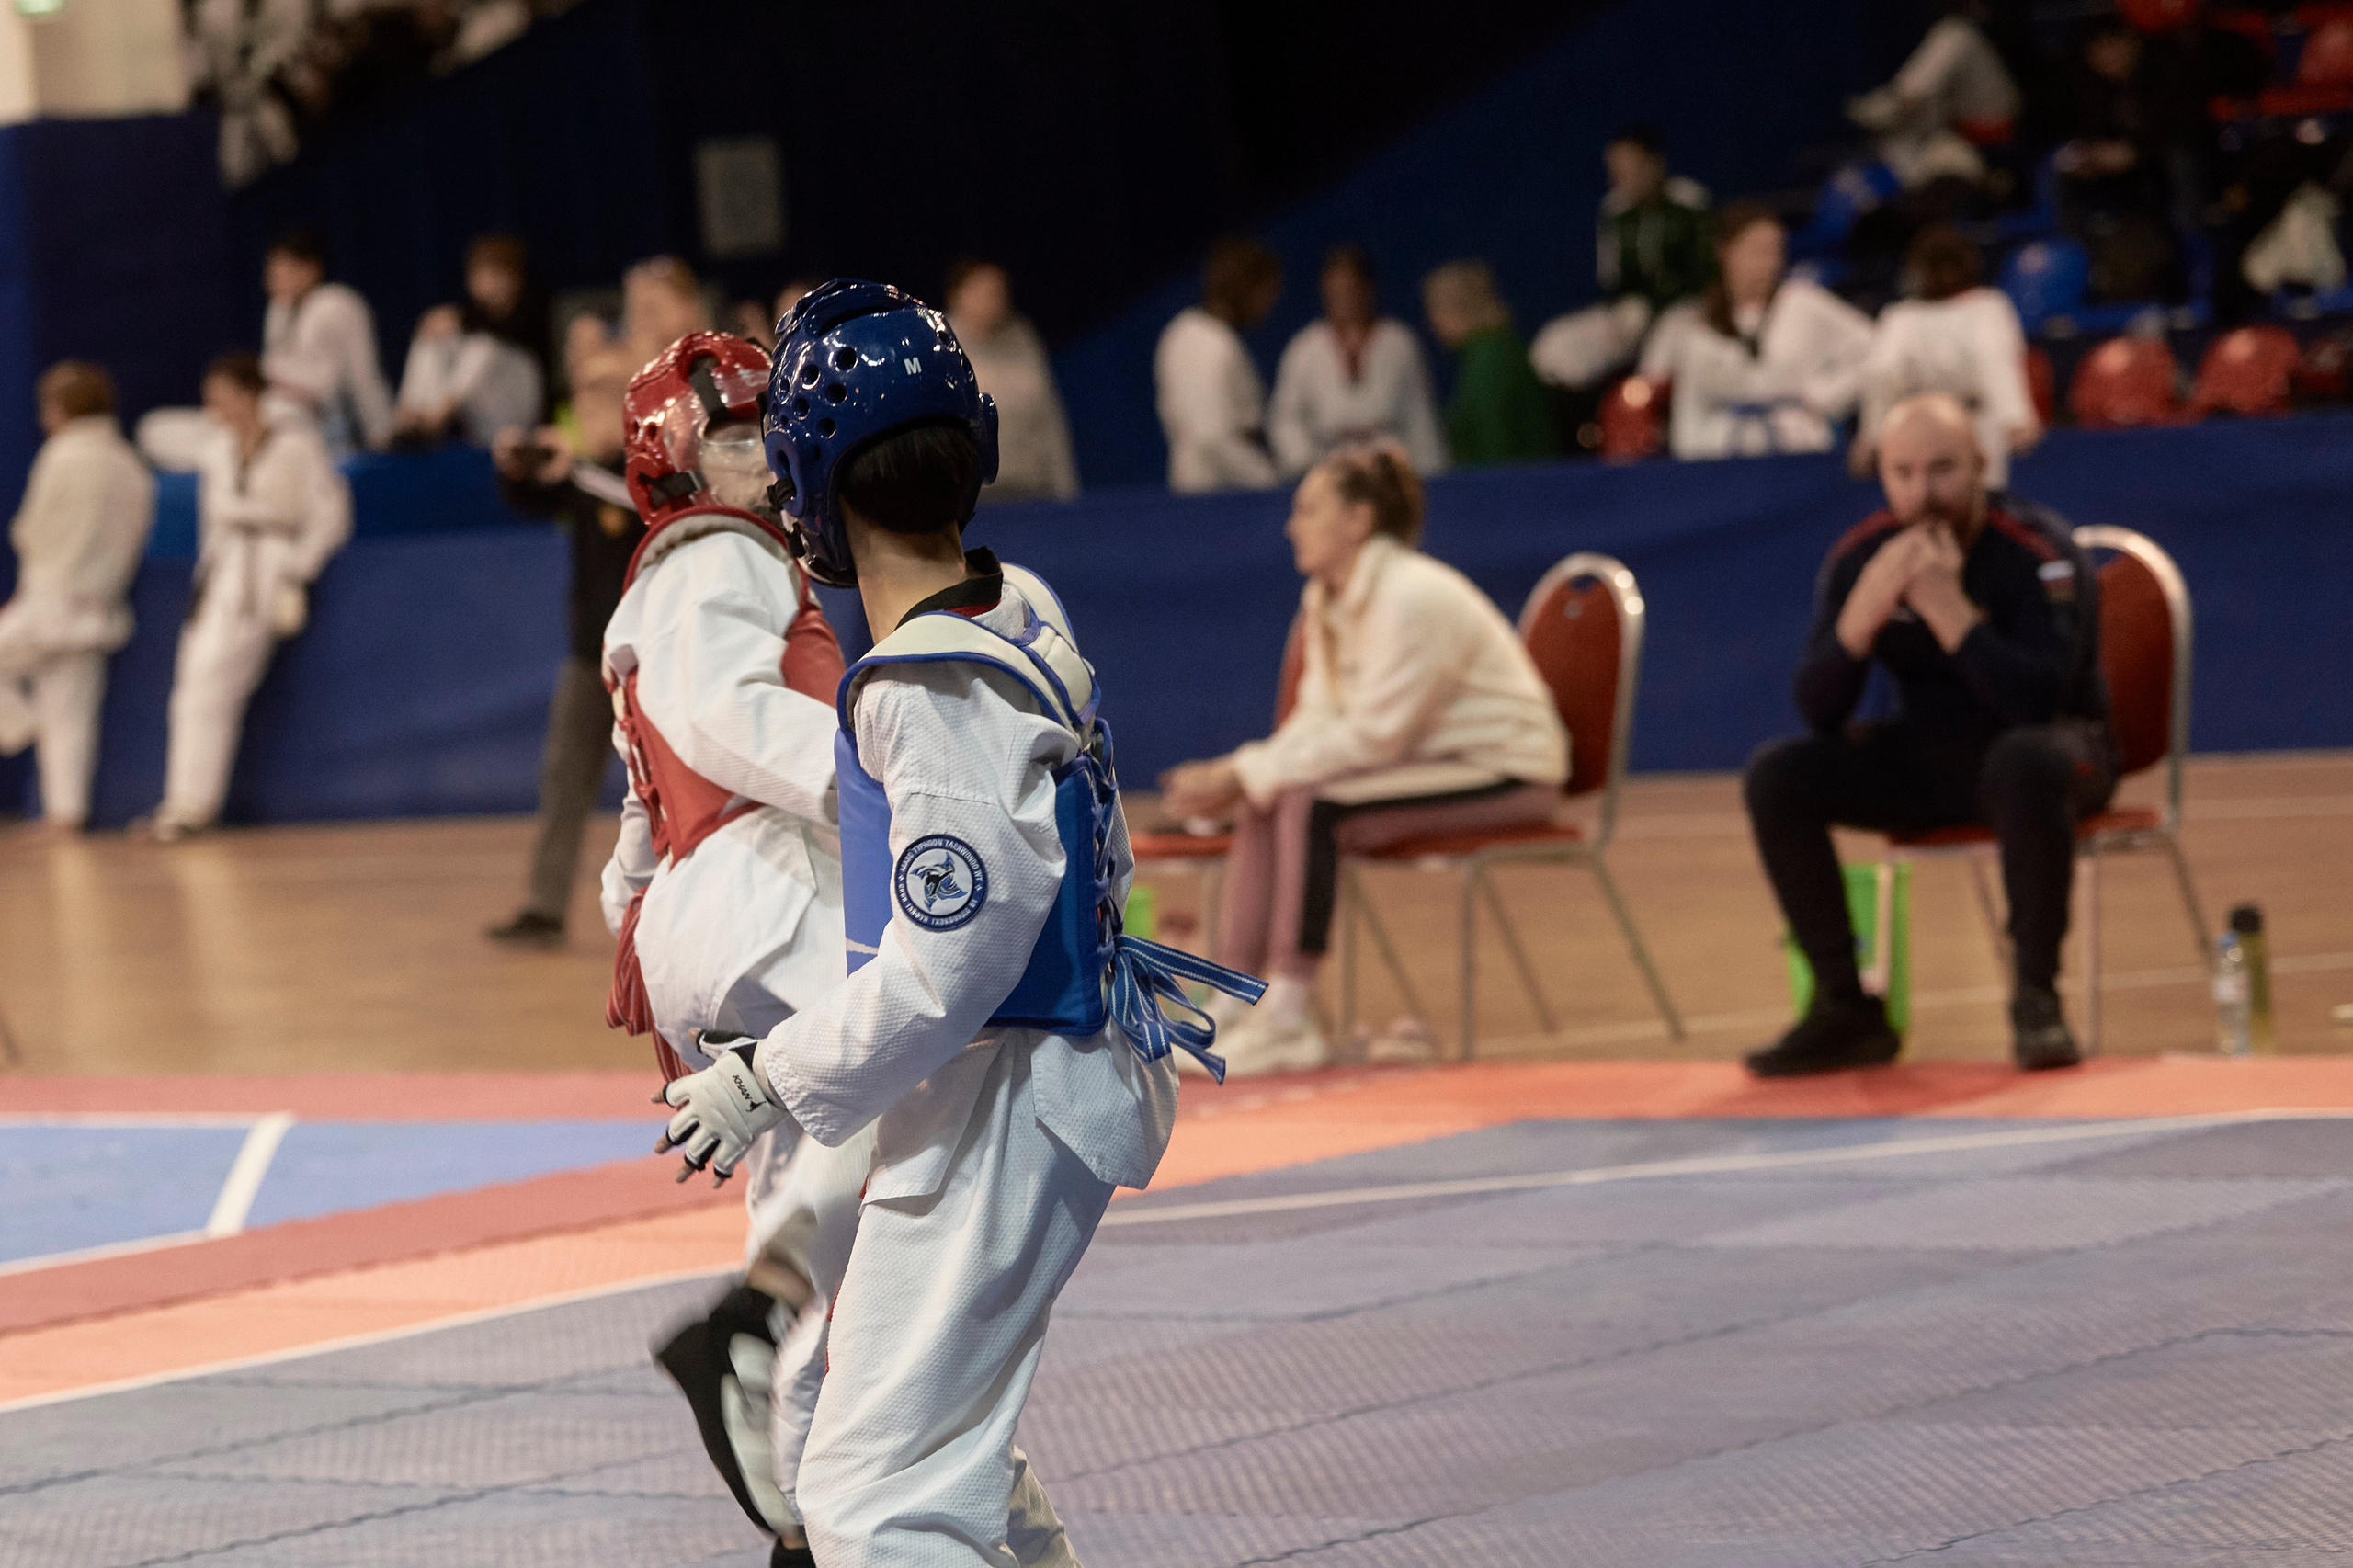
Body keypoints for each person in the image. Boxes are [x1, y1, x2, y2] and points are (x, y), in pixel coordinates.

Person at [653, 279, 1263, 1564]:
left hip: (1008, 1088)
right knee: (921, 1455)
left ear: (814, 490)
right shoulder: (1015, 607)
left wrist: (771, 1072)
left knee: (881, 1499)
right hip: (1019, 1079)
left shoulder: (928, 684)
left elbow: (953, 960)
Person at [592, 332, 851, 1566]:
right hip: (772, 886)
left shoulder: (649, 589)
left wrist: (647, 957)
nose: (768, 456)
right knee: (918, 1113)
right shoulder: (716, 555)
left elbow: (635, 835)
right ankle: (746, 1326)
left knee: (816, 1213)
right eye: (742, 435)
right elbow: (733, 717)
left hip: (704, 905)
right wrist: (890, 797)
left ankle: (798, 1521)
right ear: (681, 458)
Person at [1158, 442, 1568, 1074]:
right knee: (1276, 792)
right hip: (1433, 761)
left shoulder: (1410, 595)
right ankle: (1235, 1004)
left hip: (1508, 771)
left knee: (1311, 803)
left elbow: (1378, 736)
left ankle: (1290, 1020)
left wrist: (1243, 773)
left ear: (1358, 520)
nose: (1293, 525)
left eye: (1310, 508)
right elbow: (1318, 722)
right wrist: (1247, 774)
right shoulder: (1327, 597)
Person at [1743, 393, 2112, 1078]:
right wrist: (1859, 624)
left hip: (2059, 754)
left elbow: (2039, 702)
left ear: (1979, 465)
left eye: (1942, 470)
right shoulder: (1863, 557)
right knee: (1778, 776)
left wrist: (1952, 615)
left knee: (2021, 759)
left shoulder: (2038, 553)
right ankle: (1844, 1008)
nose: (1923, 492)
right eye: (1903, 473)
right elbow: (1818, 712)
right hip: (1935, 759)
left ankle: (2036, 997)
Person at [147, 353, 351, 840]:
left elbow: (329, 514)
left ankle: (194, 802)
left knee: (218, 680)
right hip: (224, 569)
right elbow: (209, 521)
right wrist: (206, 577)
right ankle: (183, 801)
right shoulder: (216, 448)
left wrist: (297, 567)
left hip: (270, 566)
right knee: (193, 681)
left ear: (250, 392)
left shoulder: (297, 445)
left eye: (223, 393)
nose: (215, 404)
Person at [483, 342, 642, 947]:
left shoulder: (652, 470)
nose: (590, 406)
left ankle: (676, 915)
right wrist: (515, 468)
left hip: (655, 661)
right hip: (589, 656)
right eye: (583, 395)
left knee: (671, 789)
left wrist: (574, 465)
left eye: (604, 392)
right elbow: (530, 496)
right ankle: (545, 907)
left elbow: (634, 497)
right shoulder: (581, 474)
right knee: (563, 778)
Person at [0, 363, 155, 832]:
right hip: (98, 607)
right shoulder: (130, 463)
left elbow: (32, 530)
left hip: (50, 600)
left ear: (62, 408)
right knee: (70, 714)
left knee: (57, 713)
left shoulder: (62, 455)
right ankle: (65, 815)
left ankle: (19, 726)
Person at [1643, 202, 1873, 460]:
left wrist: (1825, 396)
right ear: (1725, 252)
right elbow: (1684, 406)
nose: (1769, 263)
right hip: (1722, 457)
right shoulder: (1694, 322)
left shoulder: (1803, 302)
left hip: (1800, 450)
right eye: (1757, 251)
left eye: (1776, 252)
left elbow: (1876, 351)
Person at [1529, 127, 1714, 392]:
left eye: (1632, 168)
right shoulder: (1614, 211)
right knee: (1554, 344)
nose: (1624, 178)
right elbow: (1611, 278)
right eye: (1616, 171)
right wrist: (1627, 306)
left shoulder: (1690, 202)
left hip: (1686, 308)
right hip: (1633, 311)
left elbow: (1705, 272)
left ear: (1656, 163)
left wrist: (1659, 304)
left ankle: (1642, 413)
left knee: (1659, 357)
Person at [1855, 224, 2039, 487]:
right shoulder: (1901, 316)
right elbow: (1882, 375)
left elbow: (1995, 363)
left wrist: (2015, 420)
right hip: (1924, 428)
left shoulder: (1985, 305)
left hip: (1973, 427)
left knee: (1980, 506)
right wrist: (1872, 436)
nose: (1943, 275)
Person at [1268, 244, 1448, 477]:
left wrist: (1432, 473)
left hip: (1391, 470)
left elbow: (1420, 416)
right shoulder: (1304, 349)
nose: (1342, 299)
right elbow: (1285, 419)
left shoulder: (1399, 343)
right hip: (1329, 470)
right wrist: (1307, 464)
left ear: (1368, 289)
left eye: (1350, 290)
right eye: (1334, 292)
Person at [393, 233, 549, 448]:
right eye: (477, 273)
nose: (482, 281)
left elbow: (501, 335)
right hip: (484, 424)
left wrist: (458, 320)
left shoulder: (535, 307)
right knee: (433, 336)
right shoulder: (473, 316)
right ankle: (410, 416)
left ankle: (436, 417)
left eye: (492, 273)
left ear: (512, 277)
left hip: (521, 415)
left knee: (482, 347)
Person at [1154, 236, 1283, 493]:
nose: (1271, 303)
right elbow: (1214, 438)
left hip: (1198, 487)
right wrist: (1271, 484)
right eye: (1268, 291)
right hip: (1221, 496)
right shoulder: (1213, 345)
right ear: (1246, 288)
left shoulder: (1180, 332)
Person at [945, 258, 1079, 502]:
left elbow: (1049, 418)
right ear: (958, 294)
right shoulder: (936, 343)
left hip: (1031, 490)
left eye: (999, 292)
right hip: (969, 496)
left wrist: (1066, 488)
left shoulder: (1023, 339)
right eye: (984, 291)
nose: (994, 300)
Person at [1847, 5, 2022, 191]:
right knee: (1902, 139)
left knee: (1956, 33)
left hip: (1994, 131)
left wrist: (1893, 107)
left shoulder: (1961, 29)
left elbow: (1913, 97)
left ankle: (1898, 102)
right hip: (1962, 131)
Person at [259, 230, 394, 456]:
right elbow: (272, 366)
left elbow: (363, 374)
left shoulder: (337, 304)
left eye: (284, 268)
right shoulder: (278, 310)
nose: (275, 276)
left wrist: (383, 434)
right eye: (272, 269)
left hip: (327, 418)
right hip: (283, 407)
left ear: (312, 269)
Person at [1422, 259, 1559, 466]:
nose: (1432, 323)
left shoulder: (1490, 359)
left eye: (1434, 310)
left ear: (1458, 308)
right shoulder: (1492, 351)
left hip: (1508, 490)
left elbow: (1494, 441)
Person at [620, 256, 710, 370]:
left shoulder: (718, 363)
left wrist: (649, 366)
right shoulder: (615, 369)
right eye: (633, 312)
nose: (640, 322)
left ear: (689, 309)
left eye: (651, 311)